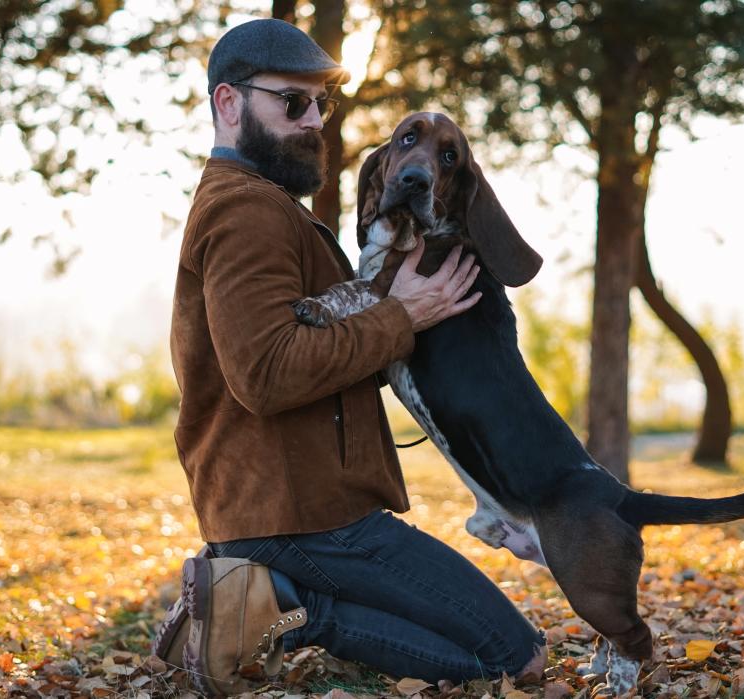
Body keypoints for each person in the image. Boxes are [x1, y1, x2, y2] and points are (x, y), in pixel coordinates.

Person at [155, 18, 546, 697]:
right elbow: (266, 374)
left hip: (305, 507)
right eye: (292, 102)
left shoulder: (266, 204)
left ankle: (266, 592)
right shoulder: (246, 212)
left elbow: (313, 347)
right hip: (300, 516)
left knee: (501, 647)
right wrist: (404, 314)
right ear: (229, 104)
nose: (314, 121)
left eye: (321, 105)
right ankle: (276, 603)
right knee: (518, 661)